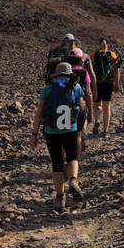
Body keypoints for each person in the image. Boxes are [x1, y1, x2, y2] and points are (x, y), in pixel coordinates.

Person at [33, 62, 87, 214]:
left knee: (57, 163)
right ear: (69, 74)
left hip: (52, 131)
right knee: (72, 158)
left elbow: (39, 114)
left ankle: (59, 197)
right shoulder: (76, 87)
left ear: (56, 75)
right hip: (70, 129)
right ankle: (73, 180)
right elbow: (82, 109)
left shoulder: (48, 89)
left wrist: (34, 134)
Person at [92, 39, 119, 135]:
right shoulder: (112, 54)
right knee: (106, 106)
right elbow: (116, 70)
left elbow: (91, 71)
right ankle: (105, 130)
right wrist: (117, 83)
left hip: (97, 83)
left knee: (96, 104)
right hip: (108, 83)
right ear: (107, 45)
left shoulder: (94, 55)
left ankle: (97, 120)